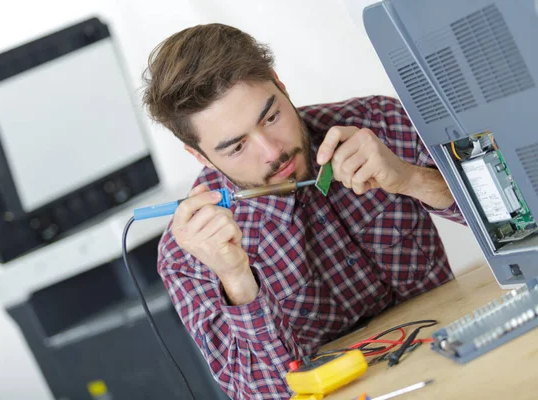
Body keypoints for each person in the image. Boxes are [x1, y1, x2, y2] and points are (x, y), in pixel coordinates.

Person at [142, 23, 465, 400]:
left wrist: (410, 179)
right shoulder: (188, 255)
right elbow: (266, 395)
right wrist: (236, 280)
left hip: (457, 357)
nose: (271, 151)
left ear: (280, 84)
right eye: (236, 147)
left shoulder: (376, 124)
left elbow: (520, 220)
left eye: (271, 117)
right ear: (200, 156)